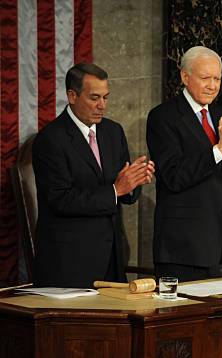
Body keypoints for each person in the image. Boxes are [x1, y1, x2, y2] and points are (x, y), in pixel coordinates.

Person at [146, 46, 222, 281]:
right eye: (205, 78)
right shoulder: (163, 118)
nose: (212, 85)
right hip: (184, 251)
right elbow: (173, 176)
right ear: (185, 76)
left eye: (217, 79)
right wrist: (219, 149)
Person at [32, 63, 155, 288]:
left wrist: (135, 180)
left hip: (112, 258)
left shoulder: (113, 132)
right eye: (94, 98)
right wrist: (116, 189)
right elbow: (60, 199)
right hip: (70, 263)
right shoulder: (50, 139)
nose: (102, 106)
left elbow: (126, 195)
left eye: (106, 98)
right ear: (72, 95)